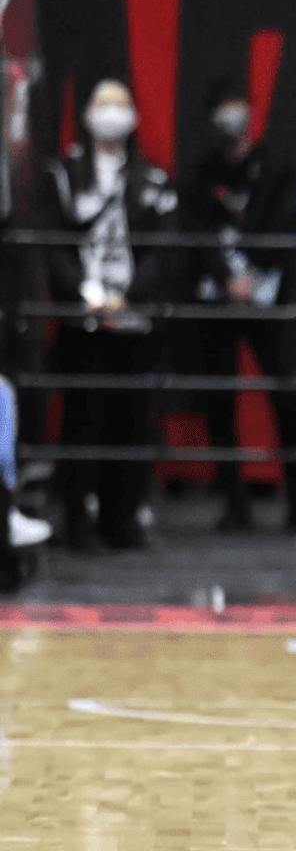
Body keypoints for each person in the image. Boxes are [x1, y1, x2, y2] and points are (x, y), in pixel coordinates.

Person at [39, 80, 176, 550]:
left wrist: (130, 295)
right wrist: (86, 291)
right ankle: (76, 522)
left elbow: (163, 250)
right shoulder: (63, 173)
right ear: (86, 113)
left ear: (135, 115)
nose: (111, 113)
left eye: (120, 103)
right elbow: (54, 246)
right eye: (102, 103)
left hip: (135, 319)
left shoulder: (152, 177)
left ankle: (122, 522)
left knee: (132, 421)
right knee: (82, 422)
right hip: (83, 318)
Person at [181, 78, 296, 532]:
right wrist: (224, 276)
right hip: (218, 300)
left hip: (268, 296)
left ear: (251, 113)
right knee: (220, 401)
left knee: (287, 398)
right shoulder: (202, 173)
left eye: (236, 106)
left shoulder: (280, 169)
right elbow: (195, 232)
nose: (230, 117)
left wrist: (254, 270)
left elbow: (292, 224)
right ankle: (234, 502)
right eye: (222, 108)